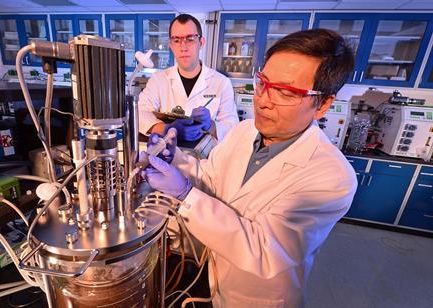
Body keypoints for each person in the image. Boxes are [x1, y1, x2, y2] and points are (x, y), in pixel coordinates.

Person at [143, 28, 358, 307]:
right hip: (214, 278)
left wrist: (185, 195)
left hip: (258, 298)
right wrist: (177, 161)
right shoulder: (245, 132)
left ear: (323, 104)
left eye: (285, 91)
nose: (263, 101)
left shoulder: (332, 178)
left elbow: (264, 249)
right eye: (263, 83)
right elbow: (212, 177)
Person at [138, 14, 239, 142]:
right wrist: (167, 129)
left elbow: (233, 128)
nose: (183, 47)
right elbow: (139, 113)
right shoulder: (158, 80)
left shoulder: (222, 83)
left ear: (201, 43)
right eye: (176, 40)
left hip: (207, 159)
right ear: (171, 45)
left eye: (190, 39)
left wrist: (211, 126)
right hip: (167, 156)